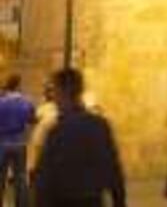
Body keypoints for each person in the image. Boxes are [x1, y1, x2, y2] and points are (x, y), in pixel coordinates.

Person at [33, 68, 126, 207]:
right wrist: (119, 201)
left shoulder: (57, 130)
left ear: (63, 92)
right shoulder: (100, 125)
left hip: (62, 201)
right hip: (92, 201)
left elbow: (45, 179)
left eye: (55, 91)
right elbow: (113, 168)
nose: (54, 98)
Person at [0, 73, 36, 206]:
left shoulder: (1, 102)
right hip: (20, 143)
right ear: (18, 85)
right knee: (20, 177)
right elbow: (32, 120)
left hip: (2, 143)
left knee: (0, 176)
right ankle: (21, 204)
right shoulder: (26, 102)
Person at [27, 82, 58, 179]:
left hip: (43, 141)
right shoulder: (45, 107)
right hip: (45, 141)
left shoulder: (43, 108)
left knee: (36, 162)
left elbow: (33, 120)